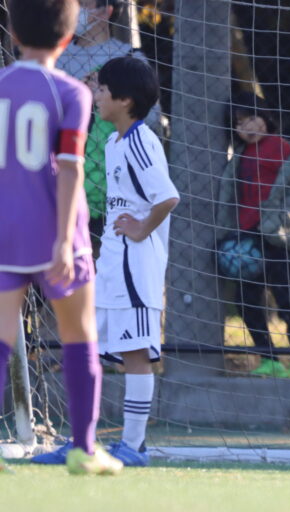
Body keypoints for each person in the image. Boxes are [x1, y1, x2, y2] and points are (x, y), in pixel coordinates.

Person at [33, 56, 179, 467]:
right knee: (87, 347)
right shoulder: (115, 142)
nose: (95, 96)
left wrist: (143, 228)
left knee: (135, 355)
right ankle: (82, 442)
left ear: (124, 99)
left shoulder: (141, 141)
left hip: (136, 265)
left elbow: (168, 196)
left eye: (101, 89)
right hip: (113, 263)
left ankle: (133, 446)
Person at [0, 0, 122, 475]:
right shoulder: (71, 91)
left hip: (5, 231)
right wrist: (62, 241)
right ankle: (84, 449)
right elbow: (70, 167)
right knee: (80, 335)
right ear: (68, 37)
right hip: (57, 231)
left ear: (13, 34)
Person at [217, 92, 290, 380]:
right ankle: (268, 356)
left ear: (264, 117)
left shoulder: (287, 150)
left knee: (287, 299)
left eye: (252, 118)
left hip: (280, 236)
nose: (248, 127)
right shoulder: (239, 155)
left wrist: (279, 220)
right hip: (246, 238)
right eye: (239, 124)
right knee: (245, 299)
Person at [57, 0, 160, 245]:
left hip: (117, 182)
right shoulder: (55, 59)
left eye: (83, 4)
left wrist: (110, 97)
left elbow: (153, 117)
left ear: (106, 11)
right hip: (65, 175)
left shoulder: (131, 58)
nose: (75, 10)